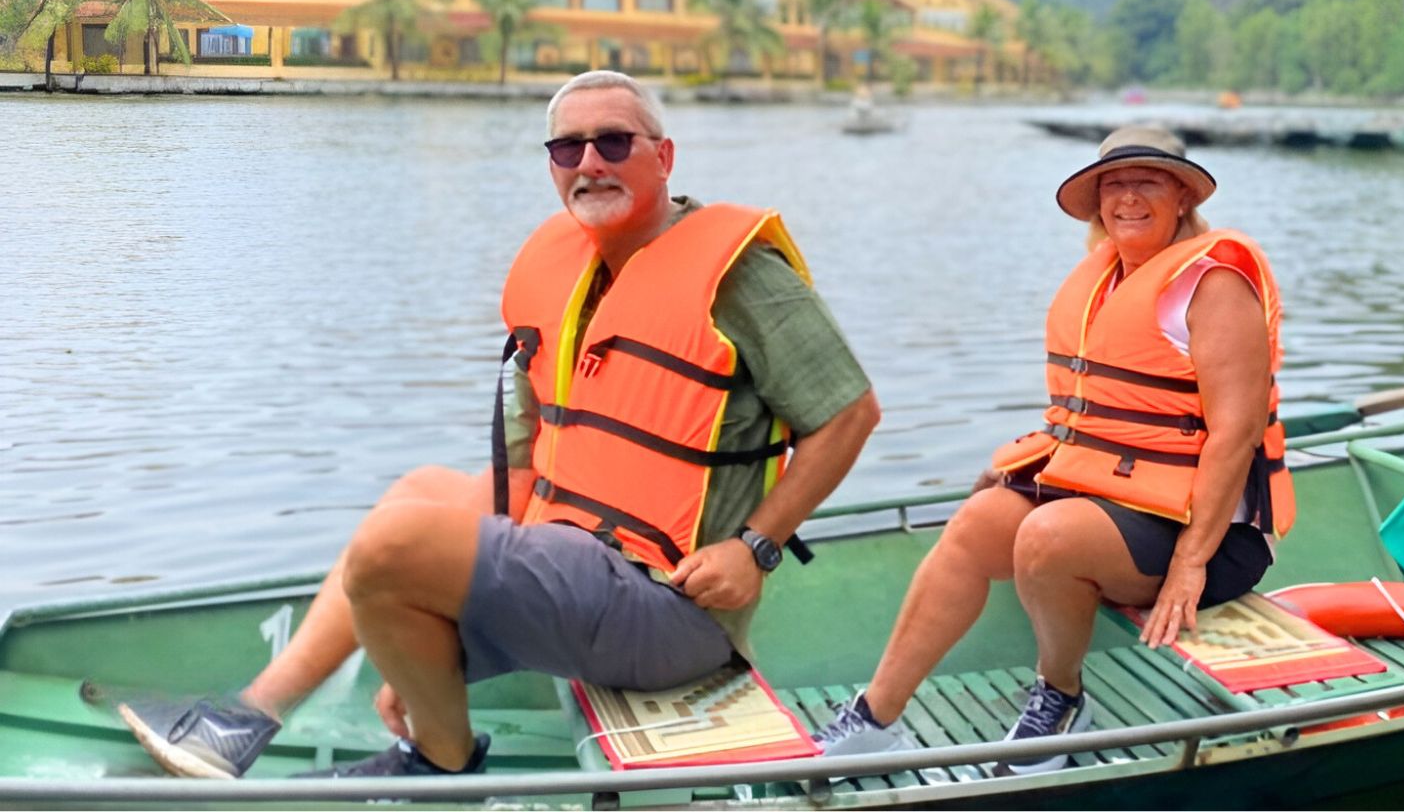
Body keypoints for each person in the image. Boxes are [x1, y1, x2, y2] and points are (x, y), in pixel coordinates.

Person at [119, 70, 881, 779]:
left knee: (392, 548)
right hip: (578, 552)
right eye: (567, 147)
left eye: (615, 142)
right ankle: (246, 719)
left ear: (664, 156)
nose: (590, 162)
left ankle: (442, 760)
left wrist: (756, 547)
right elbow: (528, 450)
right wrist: (418, 638)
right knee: (417, 496)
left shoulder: (738, 274)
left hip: (670, 602)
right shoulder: (568, 269)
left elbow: (850, 412)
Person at [813, 125, 1291, 773]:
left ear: (1182, 195)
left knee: (1045, 537)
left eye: (1146, 181)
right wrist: (1026, 464)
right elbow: (1091, 413)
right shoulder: (1106, 280)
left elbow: (1235, 434)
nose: (1126, 198)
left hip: (1210, 536)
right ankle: (875, 717)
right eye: (1112, 185)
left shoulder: (1212, 283)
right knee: (980, 521)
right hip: (1114, 498)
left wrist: (1190, 563)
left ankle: (1061, 697)